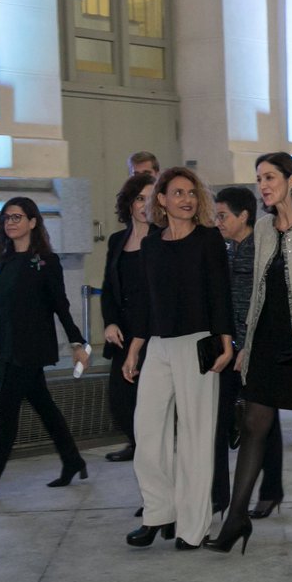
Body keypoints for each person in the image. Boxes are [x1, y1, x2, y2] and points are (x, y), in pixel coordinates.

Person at [207, 154, 292, 554]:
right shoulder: (264, 228)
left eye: (270, 177)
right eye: (259, 179)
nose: (263, 185)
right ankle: (237, 517)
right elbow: (258, 290)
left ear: (291, 180)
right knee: (254, 423)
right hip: (267, 338)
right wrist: (246, 345)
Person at [123, 167, 233, 550]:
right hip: (158, 344)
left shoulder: (208, 239)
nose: (186, 199)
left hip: (198, 344)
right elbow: (146, 300)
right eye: (178, 193)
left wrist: (226, 343)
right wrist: (135, 348)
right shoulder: (152, 243)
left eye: (191, 193)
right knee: (147, 431)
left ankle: (193, 527)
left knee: (195, 437)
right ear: (162, 200)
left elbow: (220, 293)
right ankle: (158, 513)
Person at [0, 198, 91, 500]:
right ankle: (72, 459)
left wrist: (77, 343)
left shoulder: (46, 261)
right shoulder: (7, 260)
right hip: (8, 348)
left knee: (5, 416)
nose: (10, 223)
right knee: (44, 406)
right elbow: (5, 305)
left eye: (17, 217)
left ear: (33, 222)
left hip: (29, 350)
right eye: (6, 218)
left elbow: (60, 305)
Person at [209, 185, 284, 519]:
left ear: (244, 216)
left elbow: (266, 302)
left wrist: (249, 345)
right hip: (226, 347)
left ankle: (271, 490)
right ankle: (219, 495)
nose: (218, 222)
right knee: (220, 420)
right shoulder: (222, 248)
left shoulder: (262, 248)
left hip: (257, 347)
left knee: (264, 422)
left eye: (223, 216)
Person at [101, 173, 155, 464]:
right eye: (139, 199)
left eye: (151, 198)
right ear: (129, 203)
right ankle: (138, 444)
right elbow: (109, 287)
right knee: (120, 401)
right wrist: (109, 322)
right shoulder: (117, 241)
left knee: (150, 401)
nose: (145, 205)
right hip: (123, 332)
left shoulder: (162, 238)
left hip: (153, 332)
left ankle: (151, 453)